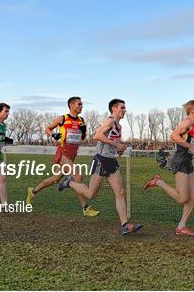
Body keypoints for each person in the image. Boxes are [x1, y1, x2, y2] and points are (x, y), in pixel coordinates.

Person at [58, 99, 143, 235]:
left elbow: (112, 142)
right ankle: (69, 183)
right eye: (122, 107)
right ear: (114, 109)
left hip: (111, 161)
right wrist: (116, 145)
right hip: (101, 161)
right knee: (91, 194)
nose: (124, 110)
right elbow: (97, 135)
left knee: (120, 192)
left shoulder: (119, 126)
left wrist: (120, 147)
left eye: (125, 108)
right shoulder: (110, 121)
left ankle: (125, 225)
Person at [26, 97, 98, 217]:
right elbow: (47, 129)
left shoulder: (81, 120)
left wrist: (84, 131)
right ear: (71, 105)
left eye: (82, 104)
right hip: (62, 153)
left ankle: (33, 191)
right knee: (78, 177)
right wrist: (53, 134)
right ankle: (85, 207)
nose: (82, 106)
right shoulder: (63, 118)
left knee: (55, 179)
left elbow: (83, 138)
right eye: (79, 104)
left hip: (72, 154)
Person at [143, 99, 194, 236]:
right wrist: (190, 146)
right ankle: (158, 182)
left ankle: (181, 227)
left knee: (193, 195)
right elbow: (173, 135)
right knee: (182, 198)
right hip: (180, 161)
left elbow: (185, 141)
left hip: (188, 161)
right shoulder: (187, 122)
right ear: (192, 111)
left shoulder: (193, 126)